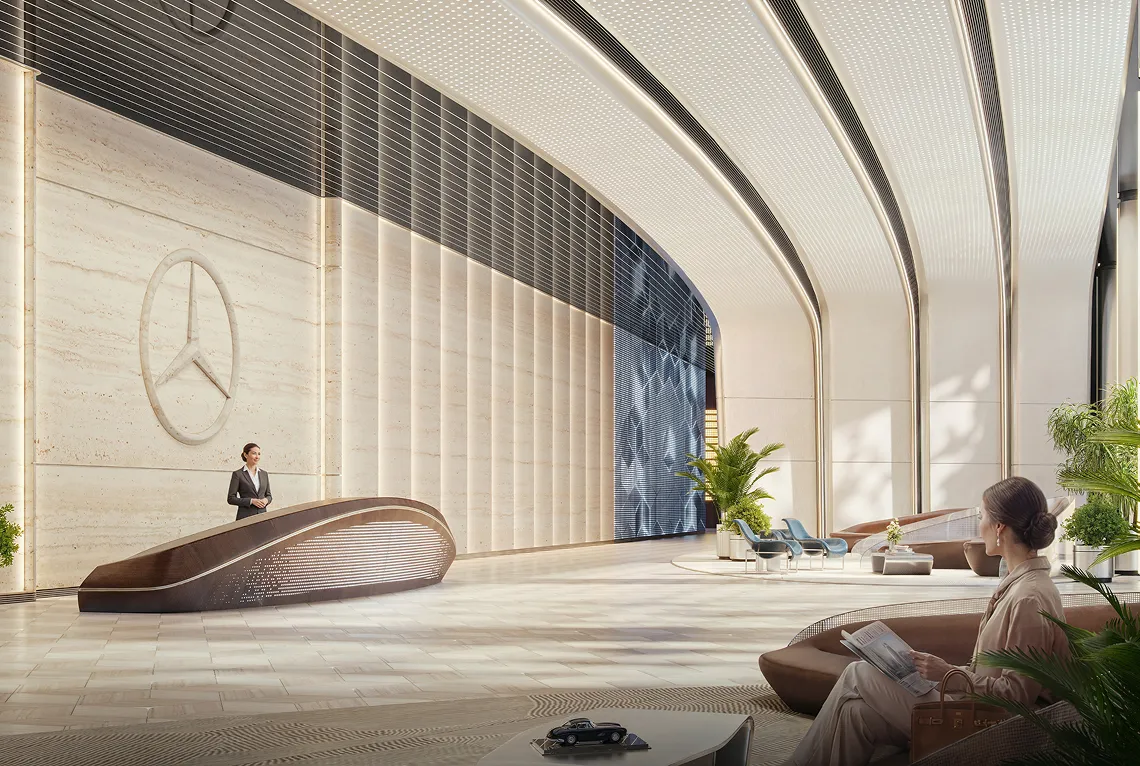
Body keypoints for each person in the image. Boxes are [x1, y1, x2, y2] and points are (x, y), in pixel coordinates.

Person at [790, 476, 1066, 766]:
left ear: (1000, 528)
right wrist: (934, 670)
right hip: (974, 705)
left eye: (982, 516)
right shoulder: (1020, 584)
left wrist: (946, 673)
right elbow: (995, 674)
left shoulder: (1028, 598)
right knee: (855, 714)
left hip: (993, 724)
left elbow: (1018, 694)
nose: (979, 525)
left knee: (857, 674)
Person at [228, 443, 272, 521]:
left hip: (262, 516)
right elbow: (231, 498)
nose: (257, 457)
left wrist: (266, 500)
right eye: (254, 453)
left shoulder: (264, 474)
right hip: (245, 517)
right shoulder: (238, 474)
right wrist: (251, 501)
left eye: (259, 454)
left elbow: (269, 495)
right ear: (245, 455)